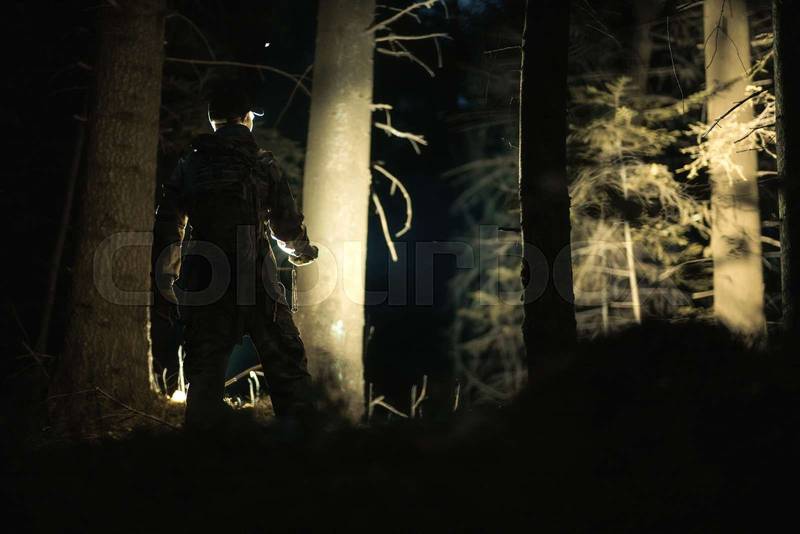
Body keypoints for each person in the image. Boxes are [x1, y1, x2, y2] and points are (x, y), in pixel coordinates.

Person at [151, 83, 318, 430]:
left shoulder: (190, 164)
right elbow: (285, 225)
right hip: (256, 279)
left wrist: (167, 275)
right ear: (245, 119)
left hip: (205, 279)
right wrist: (301, 251)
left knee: (205, 372)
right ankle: (302, 444)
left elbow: (169, 221)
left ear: (213, 122)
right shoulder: (261, 162)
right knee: (286, 367)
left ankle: (202, 448)